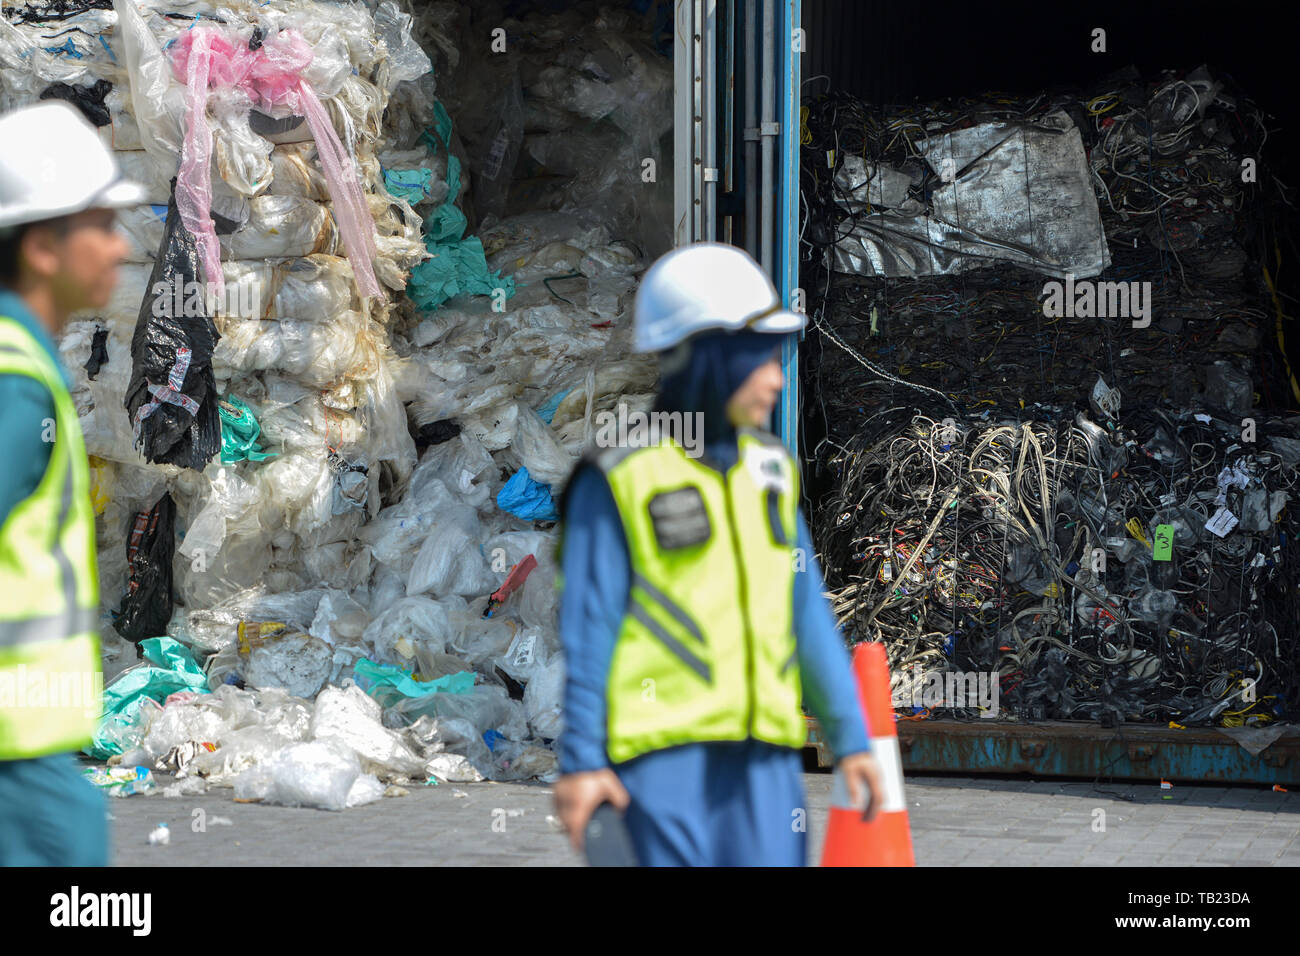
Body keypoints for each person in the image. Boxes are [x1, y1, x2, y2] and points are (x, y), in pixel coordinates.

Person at [553, 242, 883, 866]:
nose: (776, 378)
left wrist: (853, 739)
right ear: (710, 357)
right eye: (759, 357)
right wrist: (582, 763)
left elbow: (805, 613)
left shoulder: (771, 472)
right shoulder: (620, 477)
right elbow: (588, 629)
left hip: (764, 773)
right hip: (658, 769)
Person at [0, 101, 144, 866]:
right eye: (102, 224)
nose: (121, 247)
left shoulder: (28, 363)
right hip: (16, 770)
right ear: (44, 247)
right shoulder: (15, 382)